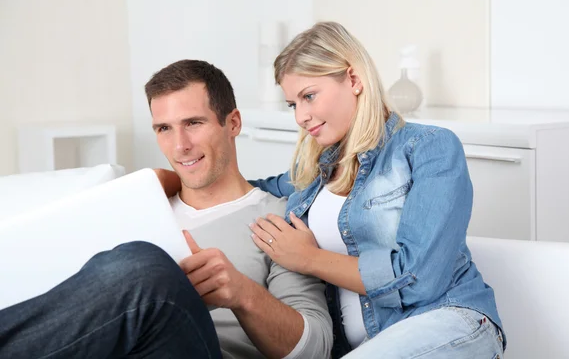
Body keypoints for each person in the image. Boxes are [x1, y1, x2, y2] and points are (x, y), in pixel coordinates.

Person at [0, 60, 332, 359]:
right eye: (164, 129)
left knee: (149, 267)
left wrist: (242, 293)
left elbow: (315, 349)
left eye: (194, 123)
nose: (179, 145)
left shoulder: (276, 220)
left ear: (232, 123)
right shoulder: (139, 205)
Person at [245, 22, 506, 358]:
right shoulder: (312, 172)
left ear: (354, 80)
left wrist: (309, 258)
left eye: (309, 96)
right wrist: (169, 181)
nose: (301, 116)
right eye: (293, 104)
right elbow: (249, 192)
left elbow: (418, 278)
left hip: (450, 323)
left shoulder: (428, 148)